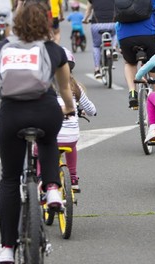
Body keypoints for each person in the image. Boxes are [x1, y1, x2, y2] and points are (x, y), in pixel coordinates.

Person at [0, 3, 75, 262]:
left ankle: (7, 248)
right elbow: (64, 89)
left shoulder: (3, 47)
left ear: (16, 22)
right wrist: (70, 109)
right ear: (47, 23)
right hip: (46, 111)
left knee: (9, 180)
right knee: (49, 140)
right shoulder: (53, 50)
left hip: (12, 115)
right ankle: (52, 187)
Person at [116, 0, 155, 108]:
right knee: (154, 70)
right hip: (149, 34)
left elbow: (118, 18)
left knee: (130, 63)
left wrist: (120, 43)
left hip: (124, 36)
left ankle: (132, 91)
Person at [57, 47, 97, 192]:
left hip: (51, 135)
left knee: (39, 148)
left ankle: (42, 178)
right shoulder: (75, 87)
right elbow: (91, 110)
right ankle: (73, 177)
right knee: (71, 145)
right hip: (70, 136)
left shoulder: (44, 86)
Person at [82, 0, 118, 79]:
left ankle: (97, 69)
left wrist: (85, 19)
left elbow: (88, 10)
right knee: (117, 33)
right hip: (112, 24)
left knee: (96, 46)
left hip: (97, 25)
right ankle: (114, 48)